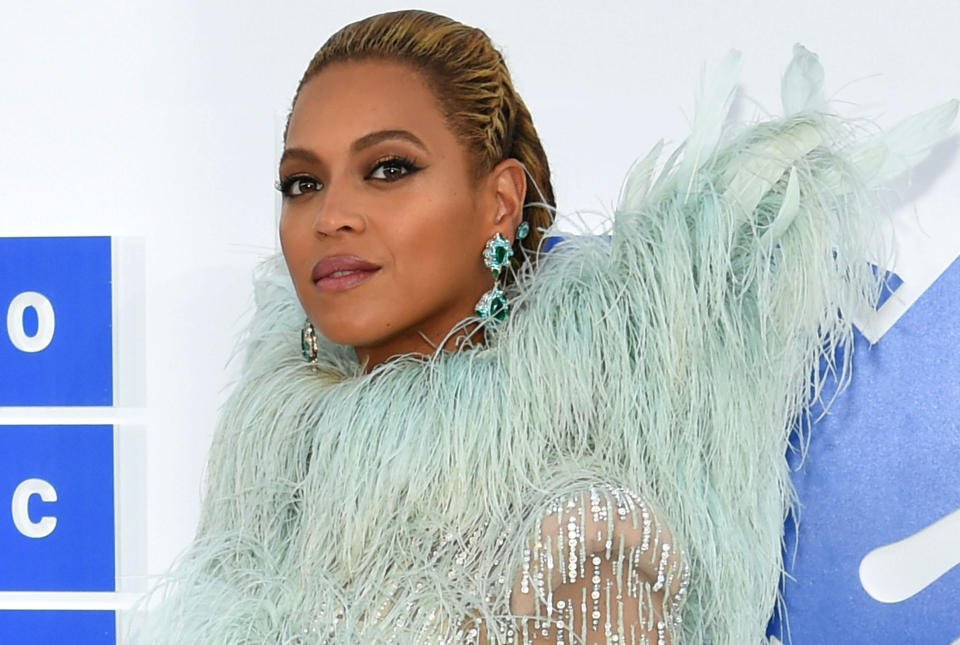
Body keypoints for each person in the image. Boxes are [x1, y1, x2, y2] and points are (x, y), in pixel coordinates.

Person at [136, 10, 956, 645]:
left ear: (498, 201)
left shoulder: (581, 536)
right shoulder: (265, 478)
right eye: (301, 183)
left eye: (389, 168)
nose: (332, 215)